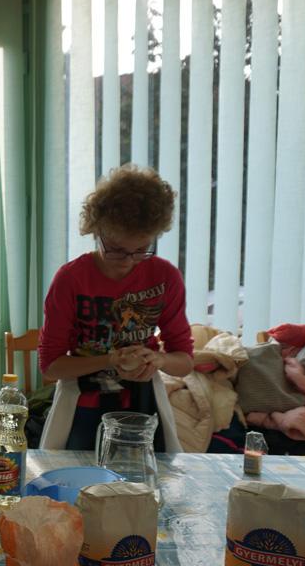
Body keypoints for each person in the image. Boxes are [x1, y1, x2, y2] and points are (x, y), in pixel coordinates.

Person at [38, 164, 193, 451]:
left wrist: (158, 360)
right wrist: (110, 359)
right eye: (117, 250)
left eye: (141, 250)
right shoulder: (71, 279)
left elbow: (184, 362)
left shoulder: (165, 277)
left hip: (144, 402)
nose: (128, 261)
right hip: (80, 405)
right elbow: (51, 365)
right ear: (96, 230)